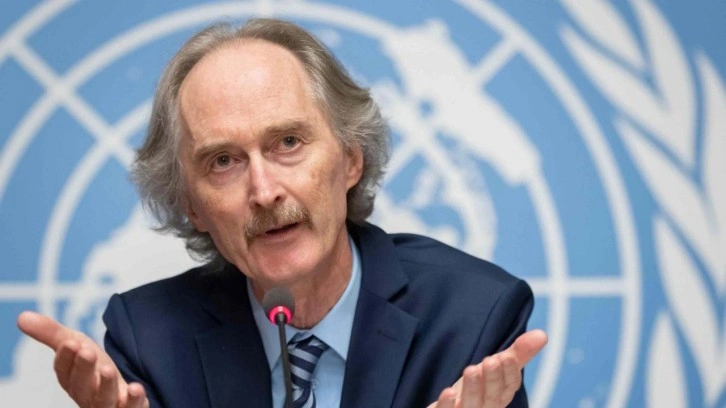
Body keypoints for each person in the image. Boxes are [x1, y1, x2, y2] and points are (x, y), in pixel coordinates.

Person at [17, 18, 547, 408]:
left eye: (288, 142)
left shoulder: (473, 317)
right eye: (223, 161)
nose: (264, 191)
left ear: (350, 159)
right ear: (192, 206)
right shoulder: (149, 338)